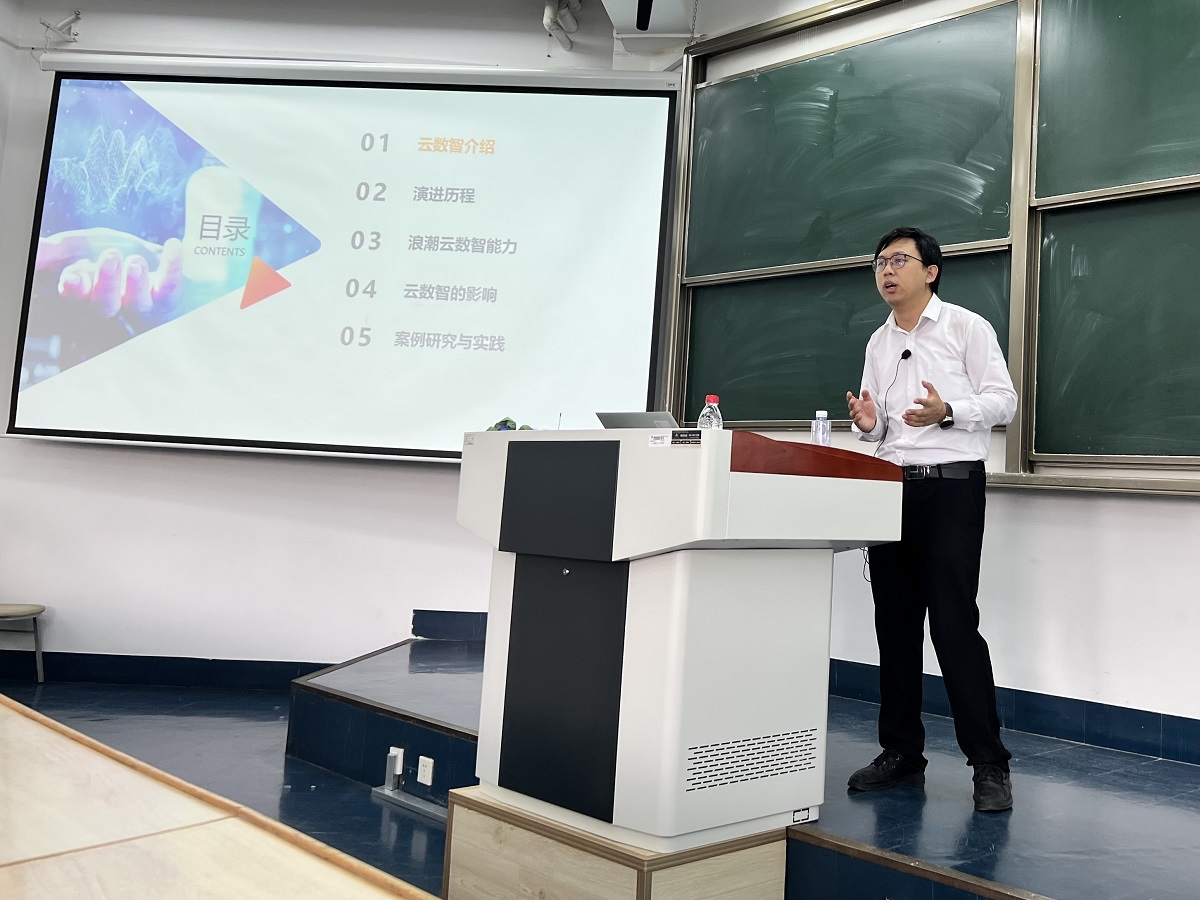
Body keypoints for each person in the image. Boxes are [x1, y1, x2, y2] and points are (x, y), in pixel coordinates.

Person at [845, 226, 1017, 813]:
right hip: (893, 489)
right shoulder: (878, 342)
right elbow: (884, 427)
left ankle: (989, 764)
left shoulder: (967, 327)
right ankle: (901, 753)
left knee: (953, 624)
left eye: (899, 260)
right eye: (880, 261)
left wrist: (948, 412)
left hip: (952, 489)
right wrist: (870, 423)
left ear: (931, 271)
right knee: (894, 626)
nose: (886, 270)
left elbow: (1003, 401)